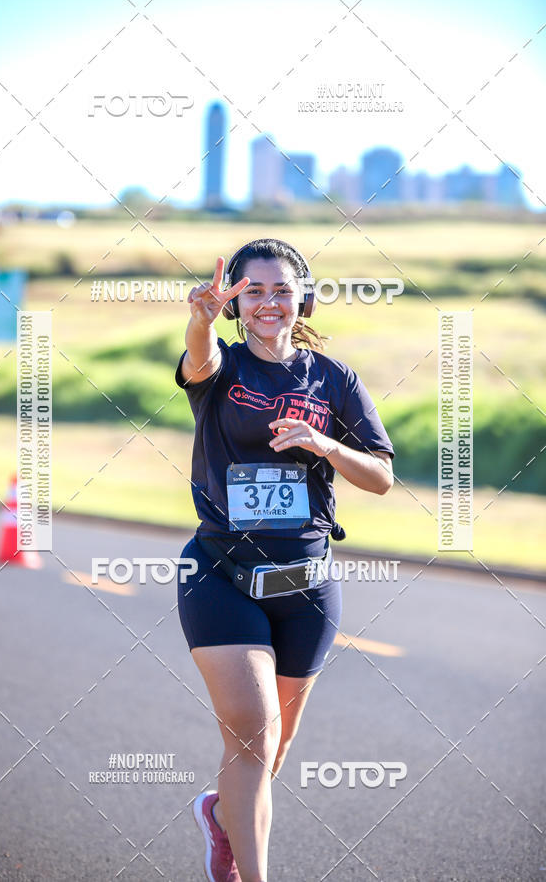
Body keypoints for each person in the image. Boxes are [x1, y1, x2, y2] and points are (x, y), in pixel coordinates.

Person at [174, 239, 394, 882]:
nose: (270, 302)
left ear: (304, 296)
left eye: (281, 290)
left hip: (307, 580)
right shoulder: (222, 366)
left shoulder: (334, 379)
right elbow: (197, 360)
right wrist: (200, 320)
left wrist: (324, 442)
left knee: (276, 745)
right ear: (237, 302)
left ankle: (222, 819)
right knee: (251, 736)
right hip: (221, 573)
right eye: (254, 291)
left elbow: (380, 477)